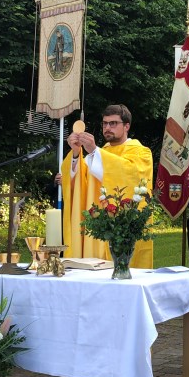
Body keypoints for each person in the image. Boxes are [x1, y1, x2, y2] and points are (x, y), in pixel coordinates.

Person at [60, 104, 154, 268]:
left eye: (113, 123)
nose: (107, 128)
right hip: (97, 227)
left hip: (122, 229)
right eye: (104, 123)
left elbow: (129, 175)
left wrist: (94, 151)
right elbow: (83, 185)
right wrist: (76, 154)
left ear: (126, 126)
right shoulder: (101, 152)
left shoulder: (141, 152)